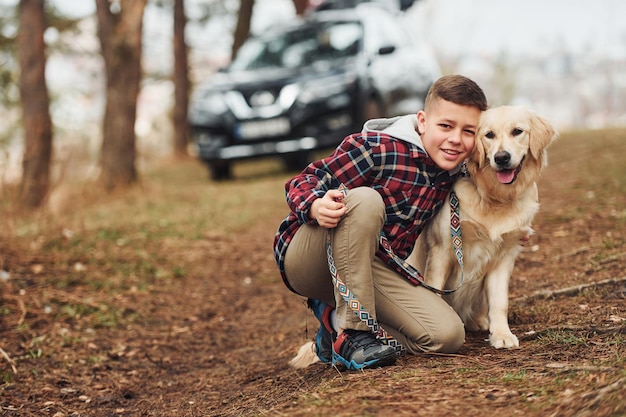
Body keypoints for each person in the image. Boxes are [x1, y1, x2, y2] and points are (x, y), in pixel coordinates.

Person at [273, 74, 488, 370]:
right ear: (422, 121)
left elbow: (493, 188)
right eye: (446, 126)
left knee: (446, 336)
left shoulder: (453, 169)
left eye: (469, 131)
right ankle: (354, 334)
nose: (456, 139)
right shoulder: (376, 148)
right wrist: (314, 205)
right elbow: (303, 180)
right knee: (365, 200)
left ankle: (334, 328)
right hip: (311, 258)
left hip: (372, 268)